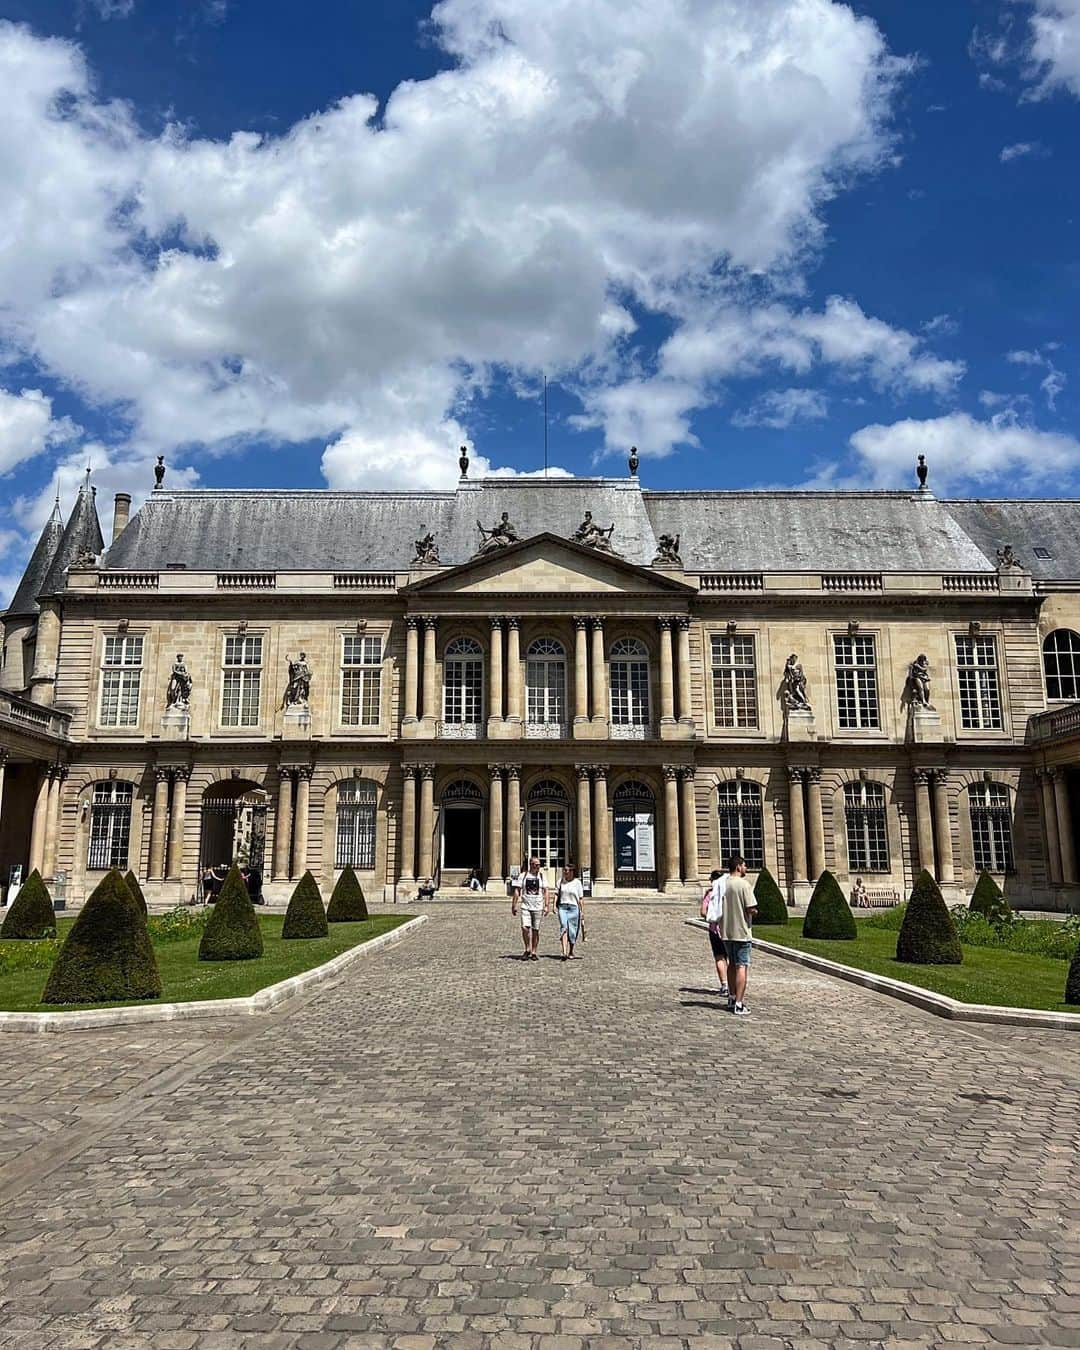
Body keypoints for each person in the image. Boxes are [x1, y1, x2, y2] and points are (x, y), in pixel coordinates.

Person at [718, 855, 757, 1016]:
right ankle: (739, 1004)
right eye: (745, 865)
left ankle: (732, 998)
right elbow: (751, 908)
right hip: (741, 932)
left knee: (732, 965)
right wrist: (755, 912)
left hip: (726, 931)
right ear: (738, 867)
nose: (746, 868)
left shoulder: (722, 884)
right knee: (742, 966)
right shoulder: (743, 885)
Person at [699, 868, 729, 998]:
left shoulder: (710, 894)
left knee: (719, 957)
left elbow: (703, 912)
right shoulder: (728, 893)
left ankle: (724, 985)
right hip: (729, 929)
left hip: (715, 930)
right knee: (731, 958)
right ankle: (733, 985)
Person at [512, 855, 548, 960]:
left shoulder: (542, 876)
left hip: (538, 906)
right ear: (531, 865)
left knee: (535, 930)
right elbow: (517, 890)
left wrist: (546, 905)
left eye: (539, 865)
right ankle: (527, 949)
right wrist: (514, 905)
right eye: (536, 865)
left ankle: (534, 951)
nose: (538, 867)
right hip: (525, 906)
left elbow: (546, 891)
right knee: (525, 928)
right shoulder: (523, 876)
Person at [555, 864, 585, 960]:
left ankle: (571, 950)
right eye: (564, 870)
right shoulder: (560, 881)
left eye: (567, 870)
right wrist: (553, 906)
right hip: (562, 907)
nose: (565, 872)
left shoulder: (577, 883)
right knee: (564, 927)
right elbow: (557, 894)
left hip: (574, 908)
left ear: (572, 872)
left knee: (572, 931)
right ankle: (564, 952)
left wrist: (582, 911)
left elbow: (580, 899)